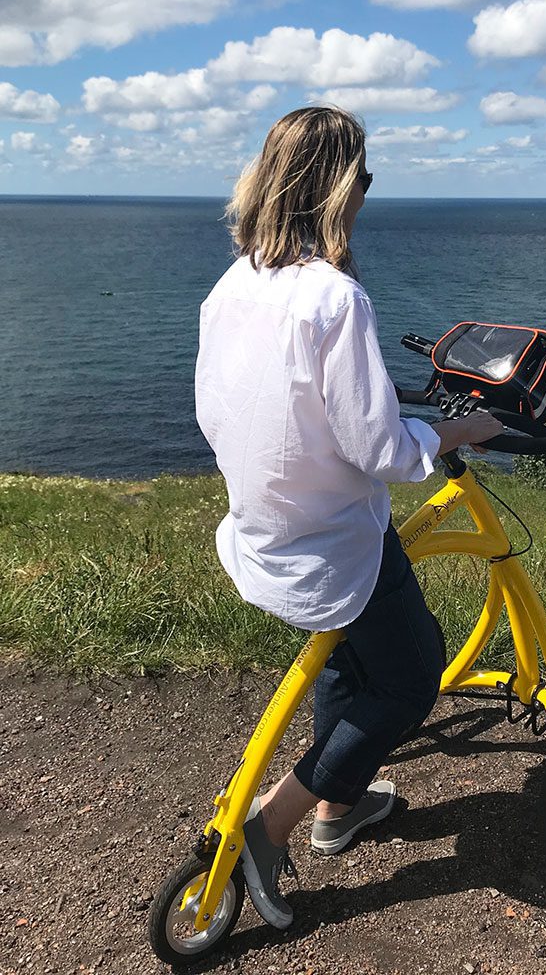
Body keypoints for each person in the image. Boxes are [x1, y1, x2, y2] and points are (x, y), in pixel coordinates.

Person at [194, 106, 501, 929]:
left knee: (345, 663)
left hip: (261, 537)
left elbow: (221, 411)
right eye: (363, 177)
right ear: (340, 188)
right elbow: (383, 452)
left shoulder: (231, 286)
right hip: (331, 544)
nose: (366, 192)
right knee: (408, 676)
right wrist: (458, 430)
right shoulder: (336, 298)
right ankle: (273, 824)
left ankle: (339, 808)